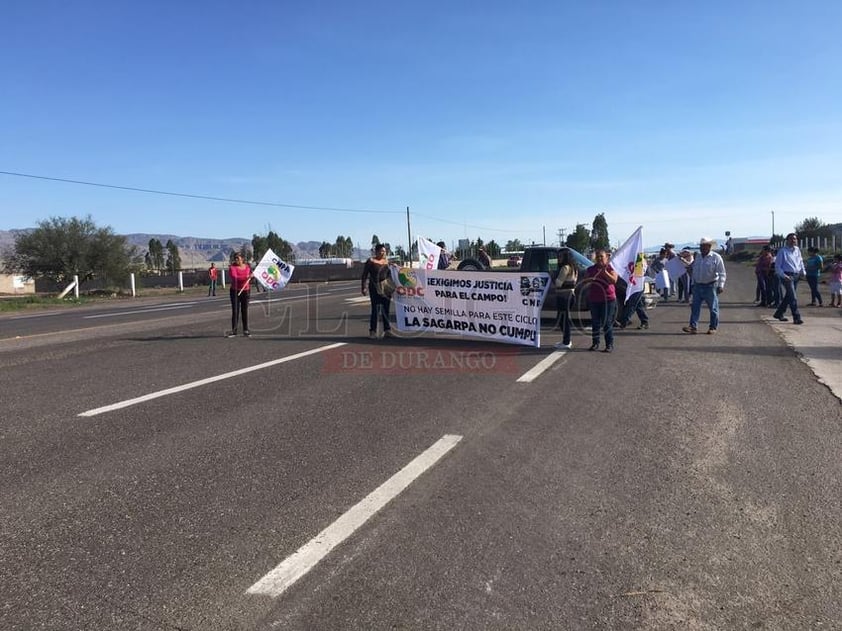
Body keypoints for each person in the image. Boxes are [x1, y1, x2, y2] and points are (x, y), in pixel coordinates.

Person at [682, 237, 726, 334]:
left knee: (713, 308)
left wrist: (721, 285)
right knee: (695, 307)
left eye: (704, 246)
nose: (702, 248)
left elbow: (722, 273)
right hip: (698, 286)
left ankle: (713, 327)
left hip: (710, 286)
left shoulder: (716, 257)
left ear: (709, 246)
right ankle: (693, 326)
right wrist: (692, 283)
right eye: (701, 246)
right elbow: (694, 271)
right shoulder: (697, 257)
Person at [581, 248, 618, 352]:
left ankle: (609, 344)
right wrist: (588, 279)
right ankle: (595, 343)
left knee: (607, 323)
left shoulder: (611, 268)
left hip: (608, 300)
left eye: (601, 256)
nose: (599, 259)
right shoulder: (591, 269)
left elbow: (614, 281)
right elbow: (585, 282)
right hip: (594, 299)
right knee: (595, 322)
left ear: (606, 257)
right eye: (597, 257)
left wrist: (604, 272)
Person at [361, 243, 395, 339]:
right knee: (375, 310)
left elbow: (390, 275)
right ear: (376, 251)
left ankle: (387, 330)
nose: (383, 253)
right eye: (381, 251)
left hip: (386, 288)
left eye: (384, 251)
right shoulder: (371, 261)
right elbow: (364, 275)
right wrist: (363, 287)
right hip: (374, 288)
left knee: (386, 310)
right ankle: (373, 331)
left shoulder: (387, 262)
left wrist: (392, 287)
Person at [773, 233, 806, 325]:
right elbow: (778, 266)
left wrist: (803, 271)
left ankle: (779, 313)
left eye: (795, 239)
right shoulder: (782, 251)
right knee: (793, 297)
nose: (793, 240)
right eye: (791, 239)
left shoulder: (797, 250)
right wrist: (784, 276)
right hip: (787, 276)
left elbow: (801, 261)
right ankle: (796, 317)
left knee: (789, 296)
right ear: (787, 240)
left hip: (796, 275)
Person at [552, 249, 578, 349]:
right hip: (570, 296)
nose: (558, 259)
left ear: (566, 257)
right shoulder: (574, 268)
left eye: (560, 256)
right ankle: (565, 340)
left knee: (563, 320)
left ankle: (566, 341)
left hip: (564, 297)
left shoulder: (565, 268)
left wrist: (552, 275)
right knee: (563, 318)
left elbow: (558, 283)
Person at [228, 253, 252, 337]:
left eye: (238, 258)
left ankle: (245, 330)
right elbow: (235, 278)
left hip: (246, 291)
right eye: (235, 258)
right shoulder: (232, 268)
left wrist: (251, 276)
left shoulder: (248, 267)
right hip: (235, 291)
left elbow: (249, 276)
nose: (236, 260)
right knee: (235, 311)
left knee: (244, 310)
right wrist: (247, 277)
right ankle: (234, 330)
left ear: (242, 259)